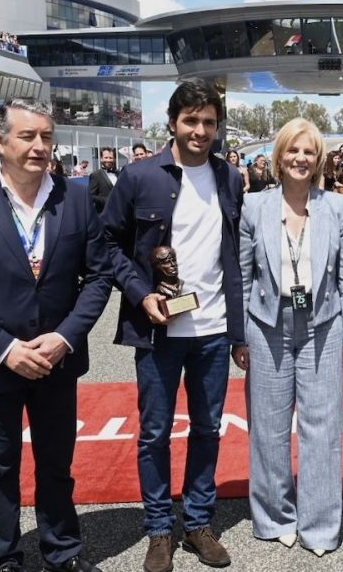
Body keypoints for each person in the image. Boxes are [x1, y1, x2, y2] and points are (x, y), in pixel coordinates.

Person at [0, 98, 112, 572]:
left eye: (46, 137)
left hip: (57, 360)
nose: (38, 146)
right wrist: (4, 348)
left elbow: (98, 278)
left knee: (55, 464)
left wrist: (65, 337)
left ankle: (61, 552)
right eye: (27, 136)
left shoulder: (75, 199)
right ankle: (5, 556)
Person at [101, 78, 245, 572]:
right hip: (159, 332)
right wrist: (141, 295)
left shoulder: (231, 179)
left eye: (209, 122)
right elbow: (106, 246)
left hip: (213, 329)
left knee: (207, 429)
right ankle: (159, 529)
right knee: (154, 433)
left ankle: (199, 523)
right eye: (191, 121)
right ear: (173, 123)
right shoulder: (139, 177)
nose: (200, 130)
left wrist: (239, 331)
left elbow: (233, 258)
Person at [237, 117, 343, 558]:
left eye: (309, 151)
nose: (300, 158)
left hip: (324, 328)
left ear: (320, 159)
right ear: (279, 156)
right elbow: (242, 275)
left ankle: (321, 525)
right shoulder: (254, 206)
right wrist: (240, 335)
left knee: (323, 429)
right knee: (268, 429)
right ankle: (274, 518)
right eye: (293, 150)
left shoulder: (336, 207)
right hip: (267, 327)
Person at [87, 147, 117, 213]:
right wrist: (107, 200)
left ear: (114, 159)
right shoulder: (95, 175)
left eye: (110, 158)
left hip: (119, 213)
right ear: (101, 159)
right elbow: (90, 196)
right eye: (106, 157)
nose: (108, 160)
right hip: (103, 214)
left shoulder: (119, 173)